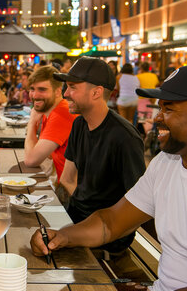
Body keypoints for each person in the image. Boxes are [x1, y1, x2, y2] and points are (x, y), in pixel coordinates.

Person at [32, 65, 187, 290]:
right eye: (160, 108)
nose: (157, 117)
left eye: (169, 109)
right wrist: (61, 236)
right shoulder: (165, 162)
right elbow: (111, 222)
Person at [54, 57, 146, 254]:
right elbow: (66, 178)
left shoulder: (125, 138)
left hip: (109, 239)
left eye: (72, 87)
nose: (65, 93)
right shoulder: (79, 124)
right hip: (75, 220)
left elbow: (140, 204)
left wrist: (94, 225)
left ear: (96, 92)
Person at [24, 65, 77, 182]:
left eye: (42, 89)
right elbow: (47, 155)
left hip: (70, 192)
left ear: (58, 91)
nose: (35, 95)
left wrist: (32, 122)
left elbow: (30, 160)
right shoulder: (51, 110)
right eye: (32, 89)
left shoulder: (62, 114)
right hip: (63, 184)